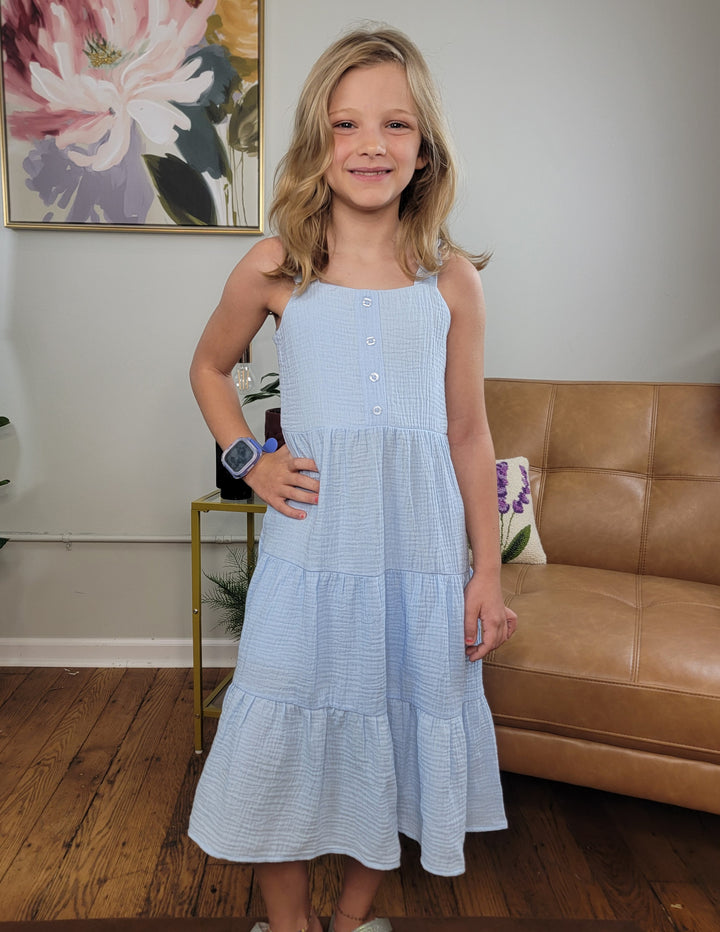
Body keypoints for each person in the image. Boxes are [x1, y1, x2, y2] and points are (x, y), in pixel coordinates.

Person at [188, 24, 518, 932]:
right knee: (280, 749)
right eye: (346, 125)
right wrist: (250, 461)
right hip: (311, 560)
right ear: (316, 143)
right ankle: (291, 926)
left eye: (396, 125)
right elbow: (208, 369)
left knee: (401, 741)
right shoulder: (277, 266)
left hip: (419, 565)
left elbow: (468, 432)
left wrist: (484, 571)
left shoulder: (449, 281)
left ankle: (350, 922)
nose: (371, 145)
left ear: (425, 148)